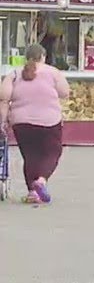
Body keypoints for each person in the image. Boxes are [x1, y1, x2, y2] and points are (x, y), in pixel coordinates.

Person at [0, 43, 70, 204]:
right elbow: (65, 93)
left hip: (21, 122)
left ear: (26, 57)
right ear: (43, 57)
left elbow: (4, 99)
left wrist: (3, 121)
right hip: (49, 121)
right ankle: (41, 181)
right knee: (53, 152)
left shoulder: (15, 74)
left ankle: (32, 192)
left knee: (30, 155)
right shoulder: (53, 72)